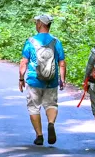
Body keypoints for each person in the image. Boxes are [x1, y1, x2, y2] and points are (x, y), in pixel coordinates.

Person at [18, 13, 67, 146]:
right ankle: (50, 123)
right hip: (51, 80)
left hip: (34, 80)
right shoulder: (56, 41)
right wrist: (62, 79)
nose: (35, 24)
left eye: (36, 22)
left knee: (34, 107)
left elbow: (24, 62)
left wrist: (21, 79)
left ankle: (39, 136)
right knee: (51, 104)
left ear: (40, 24)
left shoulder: (31, 41)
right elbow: (61, 62)